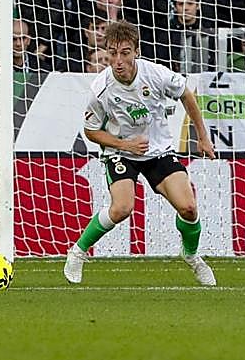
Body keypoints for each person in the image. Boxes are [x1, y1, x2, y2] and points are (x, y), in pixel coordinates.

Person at [64, 19, 217, 286]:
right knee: (122, 208)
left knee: (189, 208)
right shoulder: (101, 89)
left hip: (157, 151)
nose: (118, 60)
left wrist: (203, 137)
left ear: (136, 51)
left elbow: (186, 95)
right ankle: (77, 252)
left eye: (125, 53)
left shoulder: (155, 74)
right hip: (121, 152)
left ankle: (192, 257)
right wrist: (124, 145)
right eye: (112, 53)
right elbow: (90, 131)